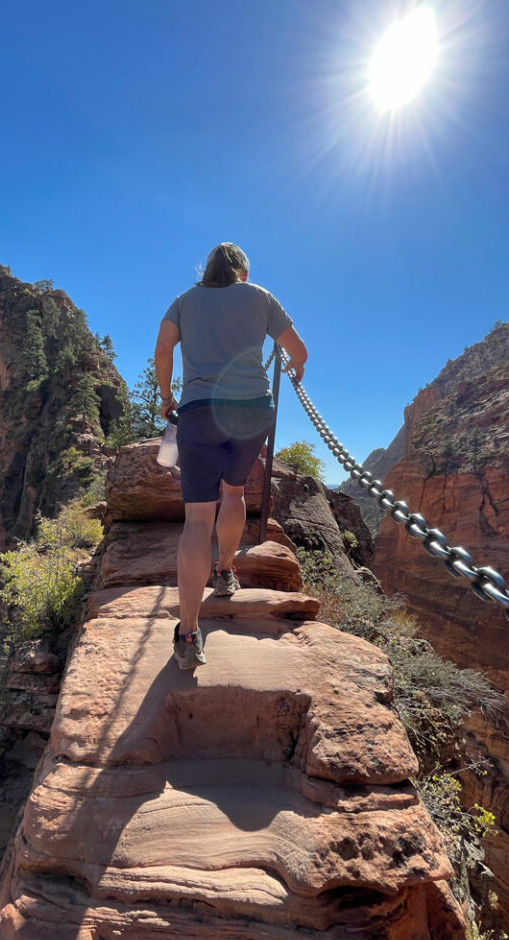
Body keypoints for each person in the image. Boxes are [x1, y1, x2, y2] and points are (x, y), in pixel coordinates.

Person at [154, 242, 308, 669]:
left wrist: (167, 398)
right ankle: (224, 572)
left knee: (197, 519)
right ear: (242, 272)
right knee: (235, 492)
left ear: (206, 270)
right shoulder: (260, 296)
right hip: (252, 411)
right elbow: (298, 350)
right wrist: (297, 367)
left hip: (200, 411)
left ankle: (188, 634)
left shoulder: (184, 302)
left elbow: (163, 350)